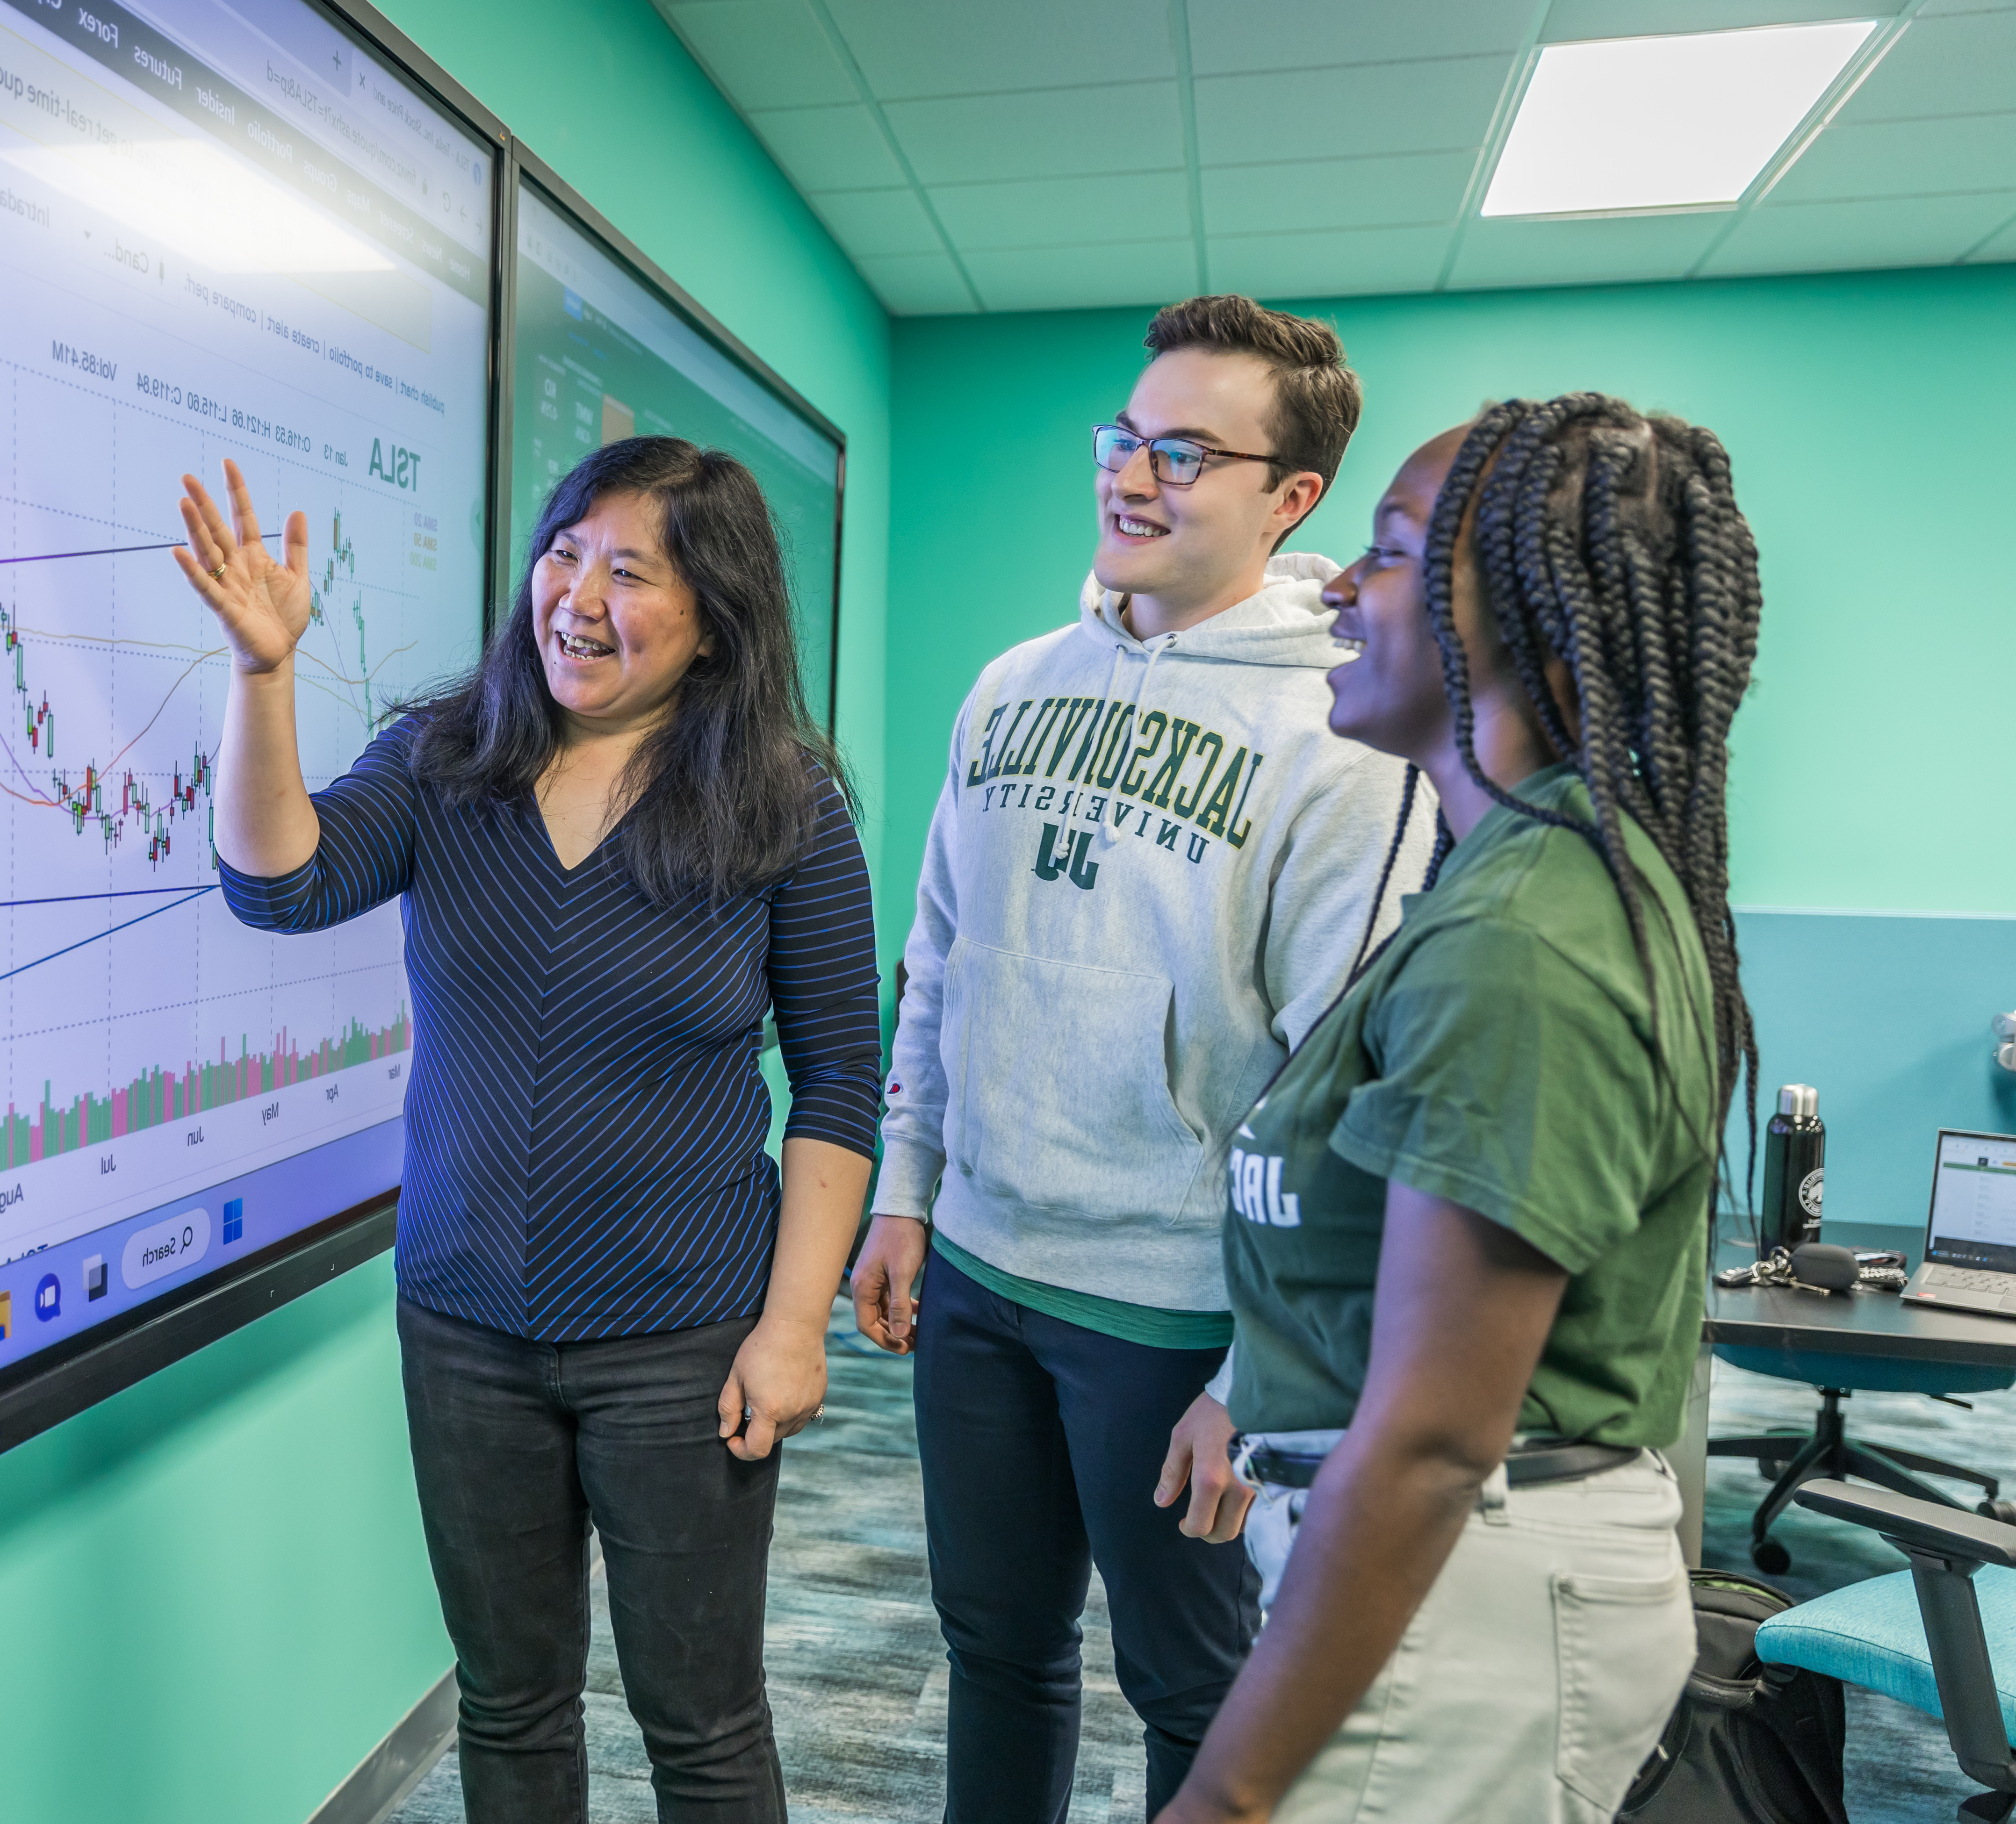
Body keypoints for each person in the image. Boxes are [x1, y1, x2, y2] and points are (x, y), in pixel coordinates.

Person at [176, 437, 882, 1823]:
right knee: (509, 1704)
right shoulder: (448, 762)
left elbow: (840, 1080)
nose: (577, 593)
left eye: (632, 571)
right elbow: (282, 887)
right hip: (463, 1325)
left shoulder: (783, 806)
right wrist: (264, 678)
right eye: (566, 551)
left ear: (715, 617)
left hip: (684, 1337)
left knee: (702, 1721)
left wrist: (793, 1325)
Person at [852, 294, 1430, 1819]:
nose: (1132, 474)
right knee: (996, 1648)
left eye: (1185, 450)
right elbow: (938, 960)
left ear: (1289, 496)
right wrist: (905, 1190)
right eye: (1125, 435)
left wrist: (1261, 1371)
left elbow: (1339, 1084)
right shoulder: (1008, 683)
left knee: (1190, 1690)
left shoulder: (1341, 736)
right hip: (979, 1269)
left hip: (1174, 1317)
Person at [1158, 394, 1761, 1824]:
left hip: (1462, 1604)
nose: (1337, 588)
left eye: (1385, 550)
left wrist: (1224, 1794)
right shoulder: (1512, 886)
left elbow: (1431, 1437)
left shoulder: (1530, 936)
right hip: (1443, 1587)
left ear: (1533, 621)